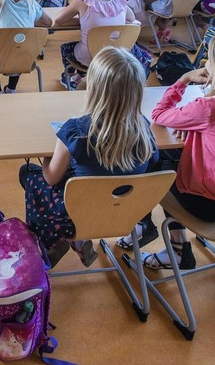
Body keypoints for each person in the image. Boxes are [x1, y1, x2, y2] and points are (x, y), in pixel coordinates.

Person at [124, 29, 215, 270]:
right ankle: (157, 234)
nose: (205, 64)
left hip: (211, 206)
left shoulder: (209, 108)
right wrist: (195, 130)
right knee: (171, 155)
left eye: (209, 60)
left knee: (153, 158)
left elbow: (159, 114)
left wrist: (184, 79)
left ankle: (168, 241)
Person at [21, 47, 158, 267]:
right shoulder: (145, 130)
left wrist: (46, 157)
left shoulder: (76, 131)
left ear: (94, 88)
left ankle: (56, 240)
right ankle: (76, 240)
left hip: (76, 215)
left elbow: (50, 178)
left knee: (29, 175)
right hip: (125, 214)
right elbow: (152, 165)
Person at [52, 0, 139, 89]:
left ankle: (69, 76)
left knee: (66, 49)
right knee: (90, 47)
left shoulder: (83, 1)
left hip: (88, 58)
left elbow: (58, 20)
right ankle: (78, 76)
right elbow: (132, 19)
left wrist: (83, 20)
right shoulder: (120, 2)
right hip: (113, 57)